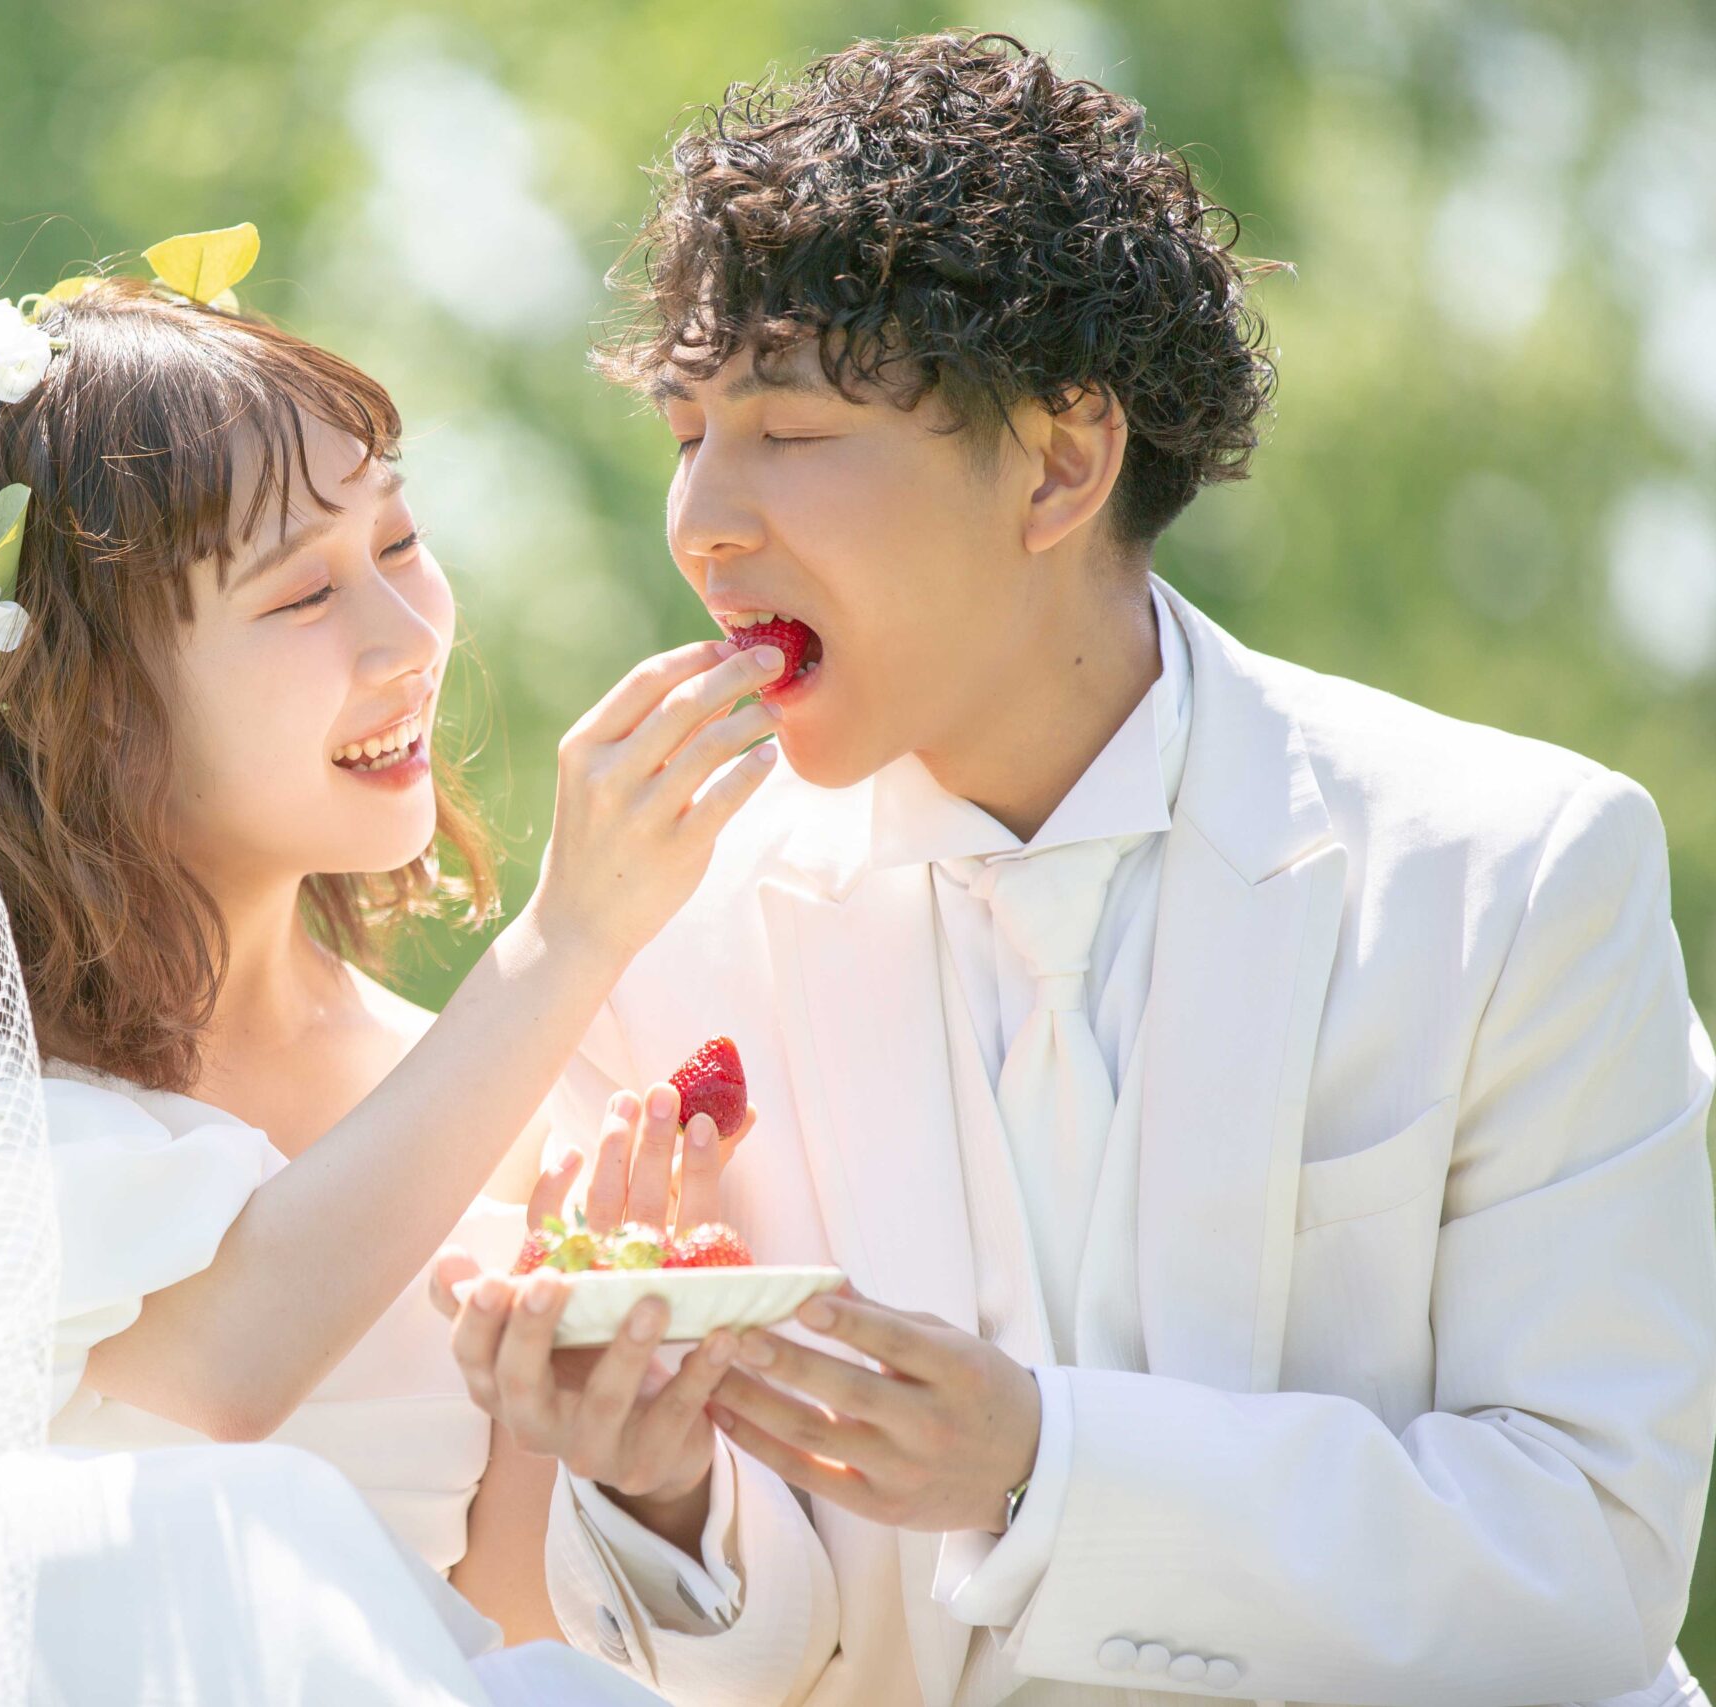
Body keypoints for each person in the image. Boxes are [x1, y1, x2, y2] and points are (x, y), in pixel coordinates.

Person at [440, 34, 1716, 1706]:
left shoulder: (1519, 868)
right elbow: (764, 1653)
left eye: (789, 429)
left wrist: (1046, 1470)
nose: (702, 521)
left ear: (1059, 462)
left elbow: (1593, 1563)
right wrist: (661, 1487)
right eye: (689, 432)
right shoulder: (668, 924)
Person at [0, 230, 771, 1706]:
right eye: (300, 597)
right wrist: (568, 939)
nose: (408, 639)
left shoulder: (482, 1091)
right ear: (83, 698)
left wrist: (632, 1466)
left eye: (400, 544)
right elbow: (197, 1393)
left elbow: (497, 1619)